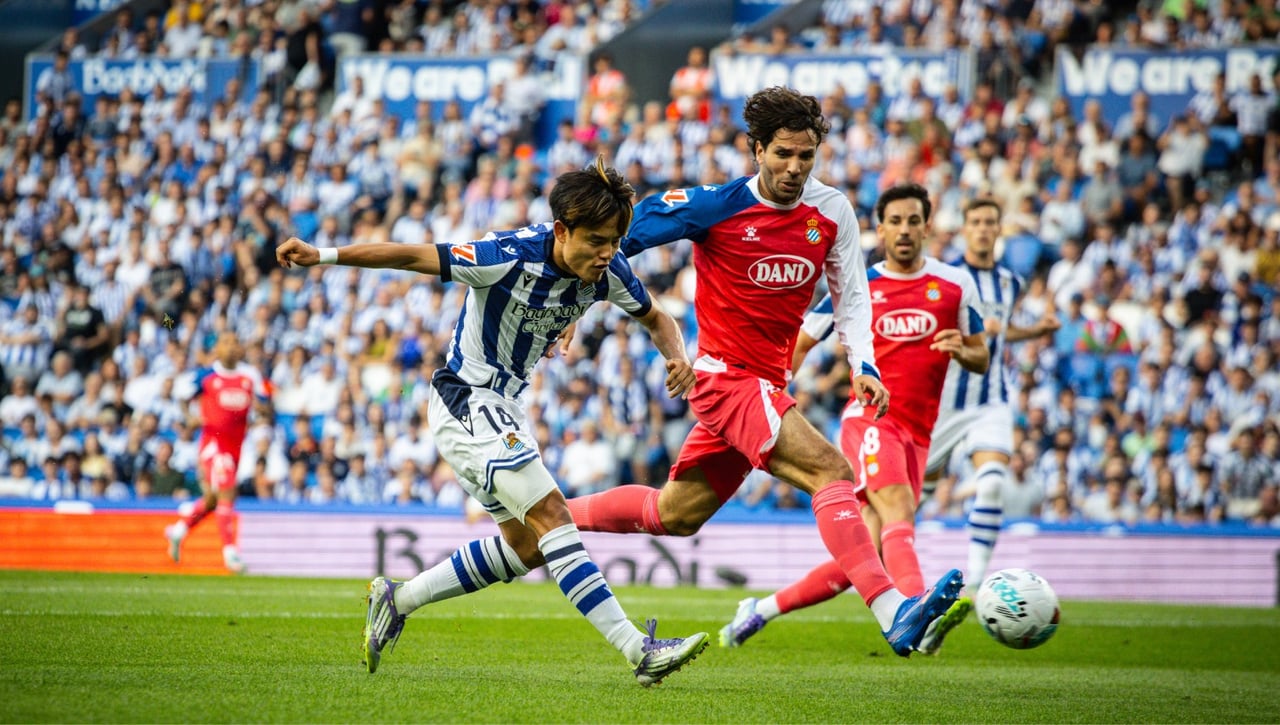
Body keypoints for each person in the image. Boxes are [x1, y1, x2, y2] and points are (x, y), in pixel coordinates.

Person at [275, 158, 710, 686]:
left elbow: (657, 317)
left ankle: (399, 598)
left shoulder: (607, 271)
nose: (607, 253)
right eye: (596, 240)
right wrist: (322, 255)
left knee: (526, 547)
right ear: (561, 231)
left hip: (505, 408)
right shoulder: (503, 257)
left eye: (616, 241)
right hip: (466, 399)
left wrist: (678, 357)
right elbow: (412, 255)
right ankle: (638, 649)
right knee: (553, 514)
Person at [566, 88, 965, 658]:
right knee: (832, 471)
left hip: (765, 386)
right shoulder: (714, 205)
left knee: (675, 513)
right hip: (724, 378)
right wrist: (569, 305)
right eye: (783, 154)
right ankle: (893, 610)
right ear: (756, 149)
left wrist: (866, 365)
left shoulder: (832, 212)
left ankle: (552, 514)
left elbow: (852, 298)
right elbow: (612, 239)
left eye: (806, 155)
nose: (795, 167)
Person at [714, 184, 989, 654]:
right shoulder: (861, 287)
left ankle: (760, 609)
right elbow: (802, 342)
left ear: (927, 226)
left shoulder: (956, 286)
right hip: (871, 421)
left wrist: (963, 350)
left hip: (919, 434)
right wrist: (769, 391)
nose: (904, 230)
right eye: (895, 222)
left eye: (913, 221)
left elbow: (982, 356)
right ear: (880, 229)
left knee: (862, 557)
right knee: (898, 510)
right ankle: (917, 618)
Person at [165, 330, 271, 573]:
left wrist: (261, 410)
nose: (231, 346)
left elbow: (265, 405)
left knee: (214, 500)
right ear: (217, 349)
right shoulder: (206, 375)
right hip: (213, 444)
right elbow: (182, 397)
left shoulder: (250, 375)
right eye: (226, 342)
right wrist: (191, 417)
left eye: (235, 342)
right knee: (227, 492)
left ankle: (179, 530)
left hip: (237, 446)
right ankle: (230, 554)